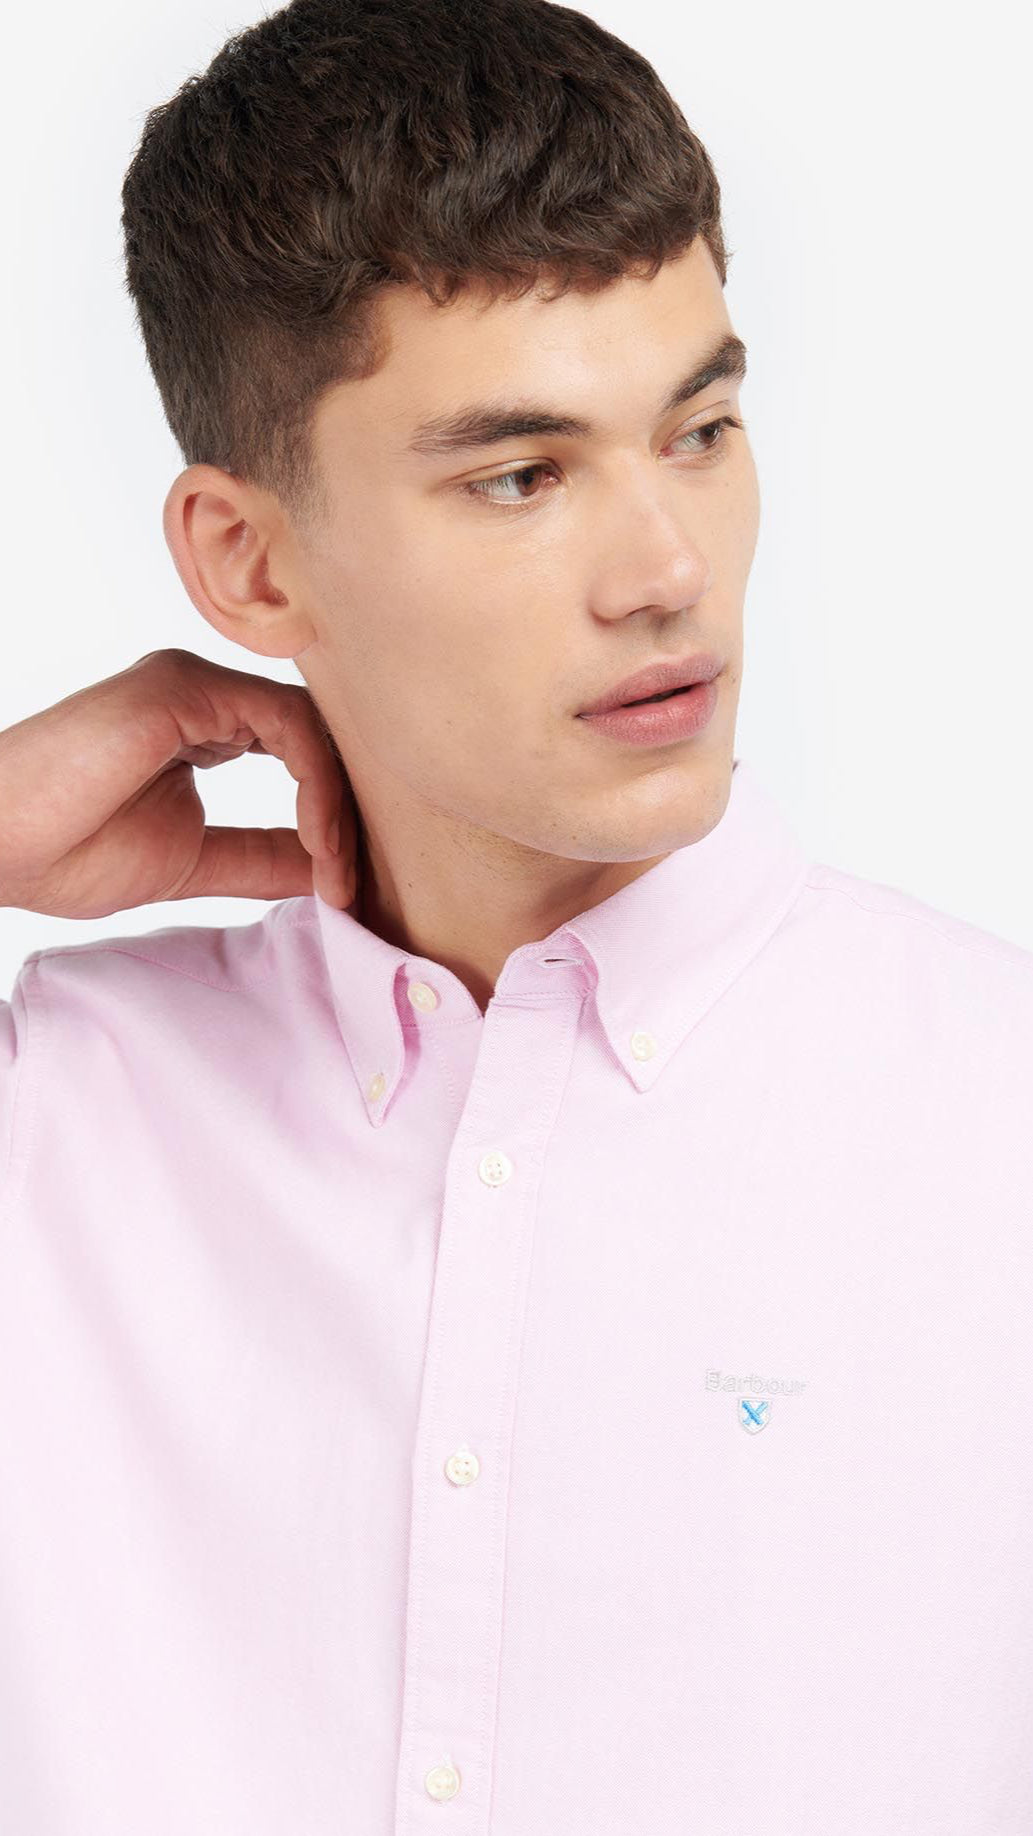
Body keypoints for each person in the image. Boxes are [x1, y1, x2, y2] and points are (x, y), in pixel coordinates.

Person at [1, 0, 1031, 1829]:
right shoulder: (57, 1124)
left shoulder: (997, 1121)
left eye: (699, 430)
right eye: (521, 476)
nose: (668, 573)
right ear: (249, 560)